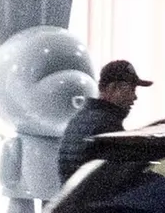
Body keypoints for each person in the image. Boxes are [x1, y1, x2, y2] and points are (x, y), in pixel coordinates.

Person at [51, 58, 149, 193]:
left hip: (71, 205)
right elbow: (117, 179)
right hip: (91, 210)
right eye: (131, 90)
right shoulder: (106, 126)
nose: (134, 97)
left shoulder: (81, 118)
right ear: (113, 88)